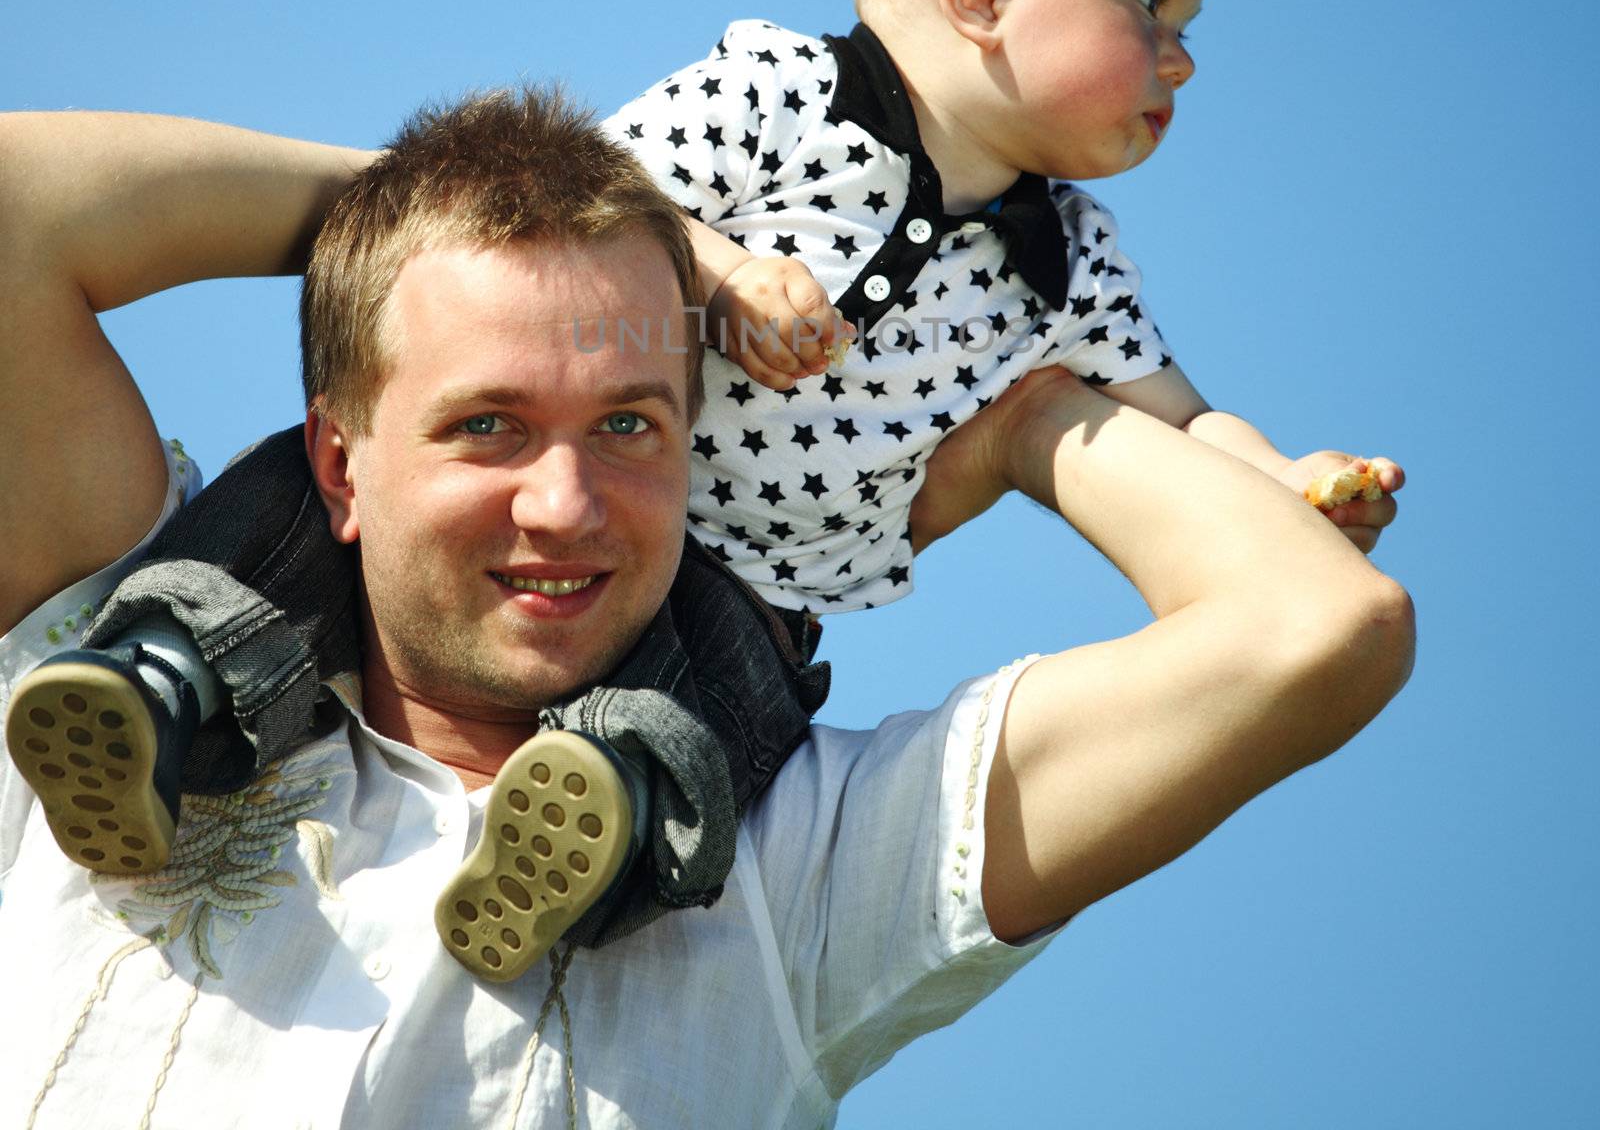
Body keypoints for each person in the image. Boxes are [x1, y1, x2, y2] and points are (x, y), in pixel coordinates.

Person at [7, 0, 1404, 972]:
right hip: (586, 490)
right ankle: (152, 697)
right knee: (289, 533)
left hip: (755, 580)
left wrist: (1279, 481)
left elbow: (1180, 412)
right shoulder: (783, 94)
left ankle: (591, 830)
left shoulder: (1071, 266)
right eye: (1152, 4)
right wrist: (716, 270)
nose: (1184, 57)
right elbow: (578, 205)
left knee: (721, 713)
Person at [0, 96, 1413, 1127]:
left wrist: (1038, 417)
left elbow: (1313, 631)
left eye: (629, 428)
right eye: (487, 423)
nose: (564, 503)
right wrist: (421, 209)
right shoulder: (113, 643)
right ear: (340, 466)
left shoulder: (809, 863)